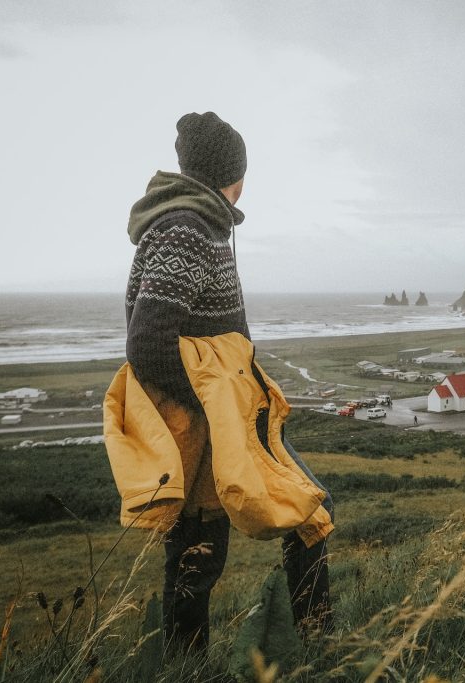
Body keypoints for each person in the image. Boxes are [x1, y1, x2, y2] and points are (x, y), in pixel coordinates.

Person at [124, 112, 332, 653]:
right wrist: (214, 410)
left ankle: (307, 642)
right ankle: (310, 645)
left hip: (224, 417)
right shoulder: (186, 230)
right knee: (206, 550)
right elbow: (147, 343)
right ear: (232, 174)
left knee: (296, 516)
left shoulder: (197, 224)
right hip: (208, 422)